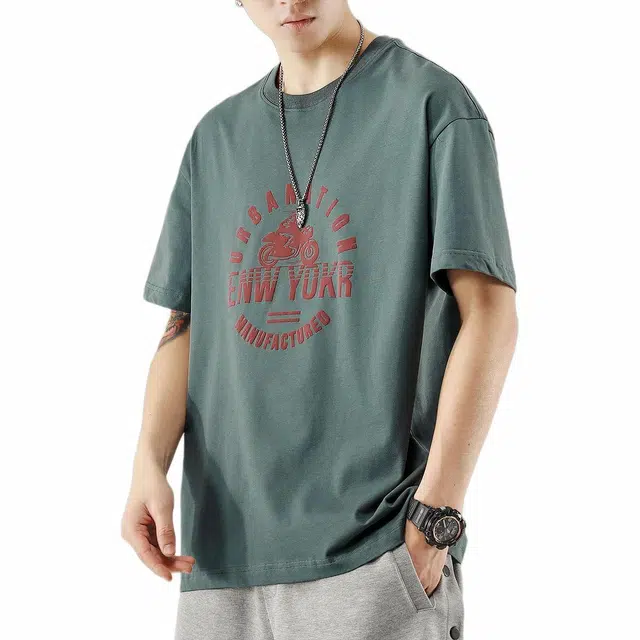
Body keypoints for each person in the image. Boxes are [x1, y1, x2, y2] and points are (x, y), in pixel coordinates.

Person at [121, 1, 518, 638]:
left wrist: (433, 522)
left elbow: (491, 315)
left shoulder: (431, 106)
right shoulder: (215, 139)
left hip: (373, 554)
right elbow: (187, 323)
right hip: (219, 561)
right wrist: (148, 461)